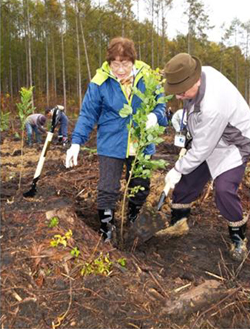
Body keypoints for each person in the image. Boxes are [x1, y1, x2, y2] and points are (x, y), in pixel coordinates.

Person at [65, 37, 167, 242]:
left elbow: (162, 106)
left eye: (125, 64)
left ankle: (133, 220)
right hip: (111, 142)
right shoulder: (100, 82)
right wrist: (76, 142)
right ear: (109, 62)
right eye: (116, 64)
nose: (120, 69)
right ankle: (106, 230)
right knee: (107, 187)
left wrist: (155, 116)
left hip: (141, 143)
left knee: (140, 184)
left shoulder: (148, 77)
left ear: (133, 61)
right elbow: (87, 114)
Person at [162, 52, 250, 261]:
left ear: (196, 80)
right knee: (187, 181)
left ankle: (238, 238)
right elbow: (201, 138)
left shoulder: (214, 105)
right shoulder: (202, 75)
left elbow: (202, 150)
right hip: (209, 137)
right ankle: (178, 224)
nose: (178, 97)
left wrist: (176, 168)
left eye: (182, 92)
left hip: (233, 144)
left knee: (223, 189)